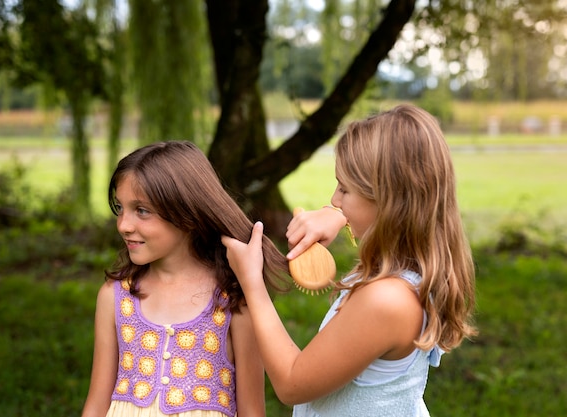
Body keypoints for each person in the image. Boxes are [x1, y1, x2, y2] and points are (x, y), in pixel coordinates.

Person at [221, 104, 478, 417]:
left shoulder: (386, 300)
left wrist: (253, 285)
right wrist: (338, 216)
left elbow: (291, 382)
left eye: (344, 189)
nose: (333, 199)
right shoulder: (406, 274)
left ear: (387, 201)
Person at [81, 141, 290, 417]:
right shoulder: (116, 297)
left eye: (141, 211)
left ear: (187, 214)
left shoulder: (233, 301)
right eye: (120, 208)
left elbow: (252, 411)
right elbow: (96, 405)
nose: (123, 225)